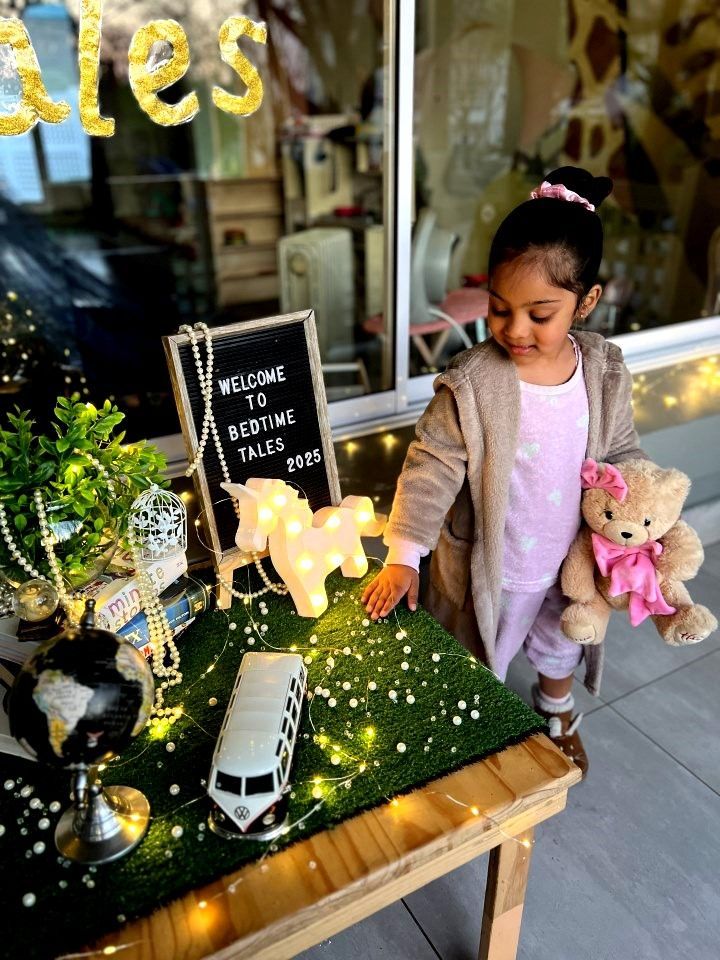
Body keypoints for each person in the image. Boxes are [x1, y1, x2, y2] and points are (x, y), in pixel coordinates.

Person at [362, 166, 647, 777]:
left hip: (570, 555)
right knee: (477, 653)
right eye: (499, 308)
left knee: (562, 637)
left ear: (586, 301)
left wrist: (641, 508)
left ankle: (557, 706)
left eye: (539, 314)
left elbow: (621, 447)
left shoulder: (602, 370)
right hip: (496, 561)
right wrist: (404, 554)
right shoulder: (473, 382)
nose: (514, 329)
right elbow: (431, 464)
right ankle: (475, 724)